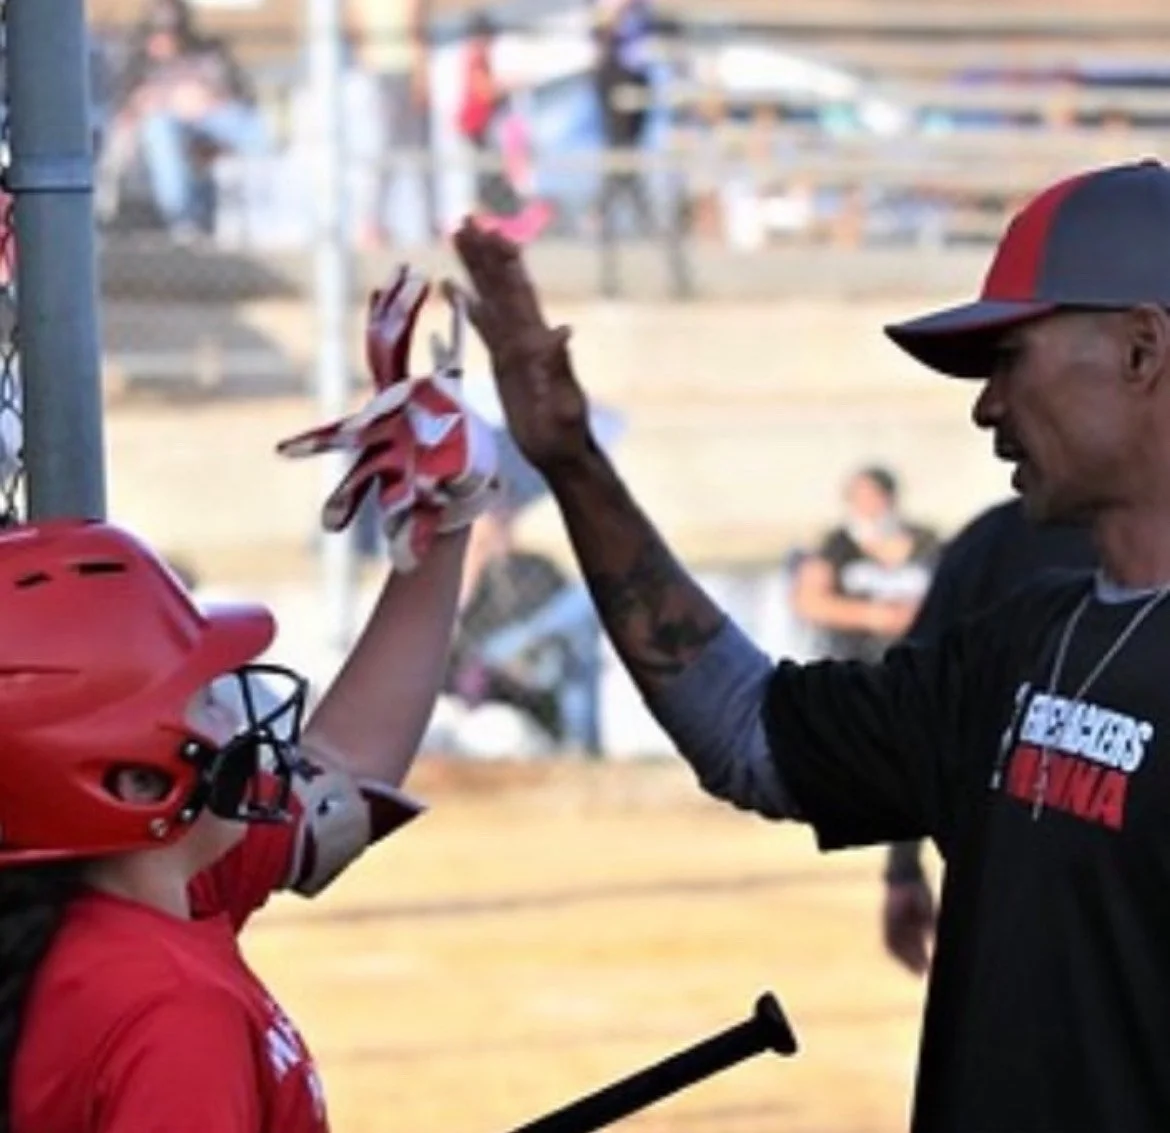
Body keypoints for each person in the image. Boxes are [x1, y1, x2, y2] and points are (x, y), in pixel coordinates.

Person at [451, 157, 1170, 1132]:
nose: (987, 404)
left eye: (1009, 355)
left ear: (1141, 349)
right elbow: (748, 729)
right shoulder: (1020, 642)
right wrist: (573, 465)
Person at [1, 273, 498, 1132]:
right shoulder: (168, 1009)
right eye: (204, 699)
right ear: (127, 784)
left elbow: (343, 777)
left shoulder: (106, 905)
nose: (243, 716)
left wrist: (444, 525)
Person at [882, 498, 1097, 975]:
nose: (992, 419)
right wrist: (902, 866)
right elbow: (918, 708)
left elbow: (918, 712)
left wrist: (902, 869)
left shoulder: (991, 540)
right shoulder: (993, 542)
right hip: (1015, 903)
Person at [105, 0, 268, 239]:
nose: (165, 40)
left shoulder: (209, 53)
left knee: (254, 128)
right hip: (164, 135)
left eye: (172, 33)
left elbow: (244, 100)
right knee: (160, 127)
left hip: (212, 122)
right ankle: (184, 220)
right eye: (158, 33)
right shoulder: (139, 63)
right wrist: (165, 100)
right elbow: (124, 110)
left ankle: (275, 211)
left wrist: (208, 101)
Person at [791, 465, 939, 665]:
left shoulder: (925, 541)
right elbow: (808, 602)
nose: (866, 506)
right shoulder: (837, 545)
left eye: (873, 497)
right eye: (858, 498)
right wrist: (871, 615)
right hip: (852, 662)